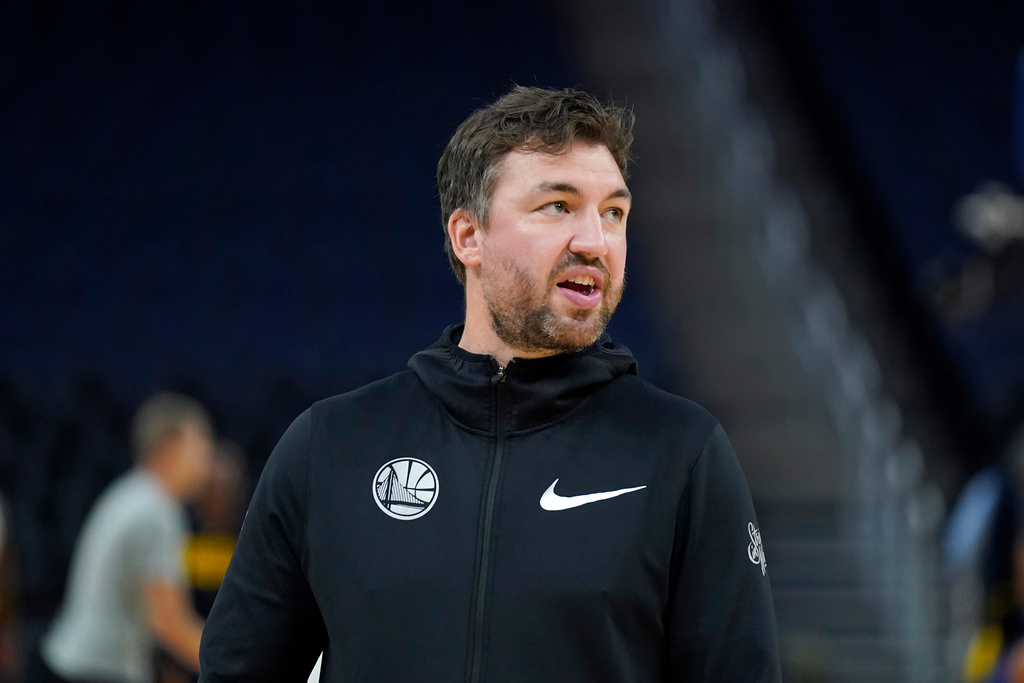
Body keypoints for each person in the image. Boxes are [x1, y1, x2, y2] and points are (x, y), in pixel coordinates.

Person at [199, 86, 781, 681]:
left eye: (614, 212)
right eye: (558, 205)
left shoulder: (681, 453)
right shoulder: (332, 446)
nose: (595, 241)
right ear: (467, 237)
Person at [41, 392, 214, 683]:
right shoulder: (157, 512)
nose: (208, 458)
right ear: (171, 447)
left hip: (76, 665)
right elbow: (169, 623)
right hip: (97, 672)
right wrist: (238, 662)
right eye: (201, 443)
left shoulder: (131, 493)